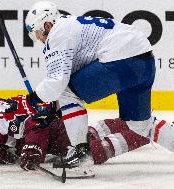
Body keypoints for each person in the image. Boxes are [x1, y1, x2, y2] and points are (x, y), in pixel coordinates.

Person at [24, 1, 174, 166]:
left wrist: (33, 99)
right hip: (144, 62)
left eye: (38, 33)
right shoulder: (71, 25)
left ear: (47, 24)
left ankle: (81, 155)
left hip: (121, 60)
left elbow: (58, 82)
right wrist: (61, 111)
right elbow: (70, 77)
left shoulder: (57, 33)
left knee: (67, 92)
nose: (39, 39)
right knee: (141, 125)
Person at [0, 93, 164, 171]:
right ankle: (135, 121)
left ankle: (145, 130)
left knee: (90, 153)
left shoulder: (0, 117)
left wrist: (32, 148)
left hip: (49, 127)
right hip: (53, 138)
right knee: (87, 135)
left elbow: (36, 121)